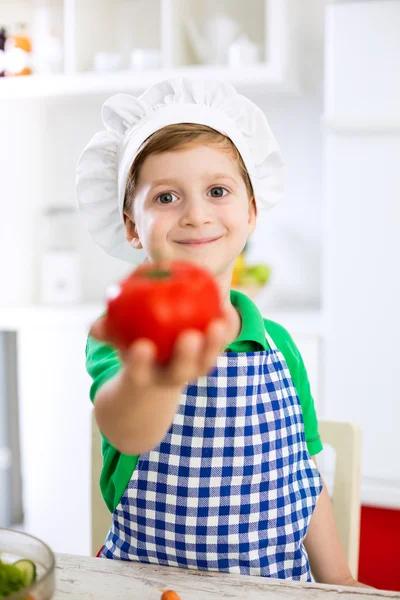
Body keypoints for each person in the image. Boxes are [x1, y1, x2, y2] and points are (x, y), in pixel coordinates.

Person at [76, 78, 364, 585]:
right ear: (131, 226)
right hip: (149, 588)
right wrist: (157, 379)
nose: (196, 214)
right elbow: (127, 429)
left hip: (274, 587)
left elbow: (303, 475)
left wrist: (339, 581)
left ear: (252, 211)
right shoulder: (125, 333)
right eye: (166, 196)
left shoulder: (277, 343)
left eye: (217, 191)